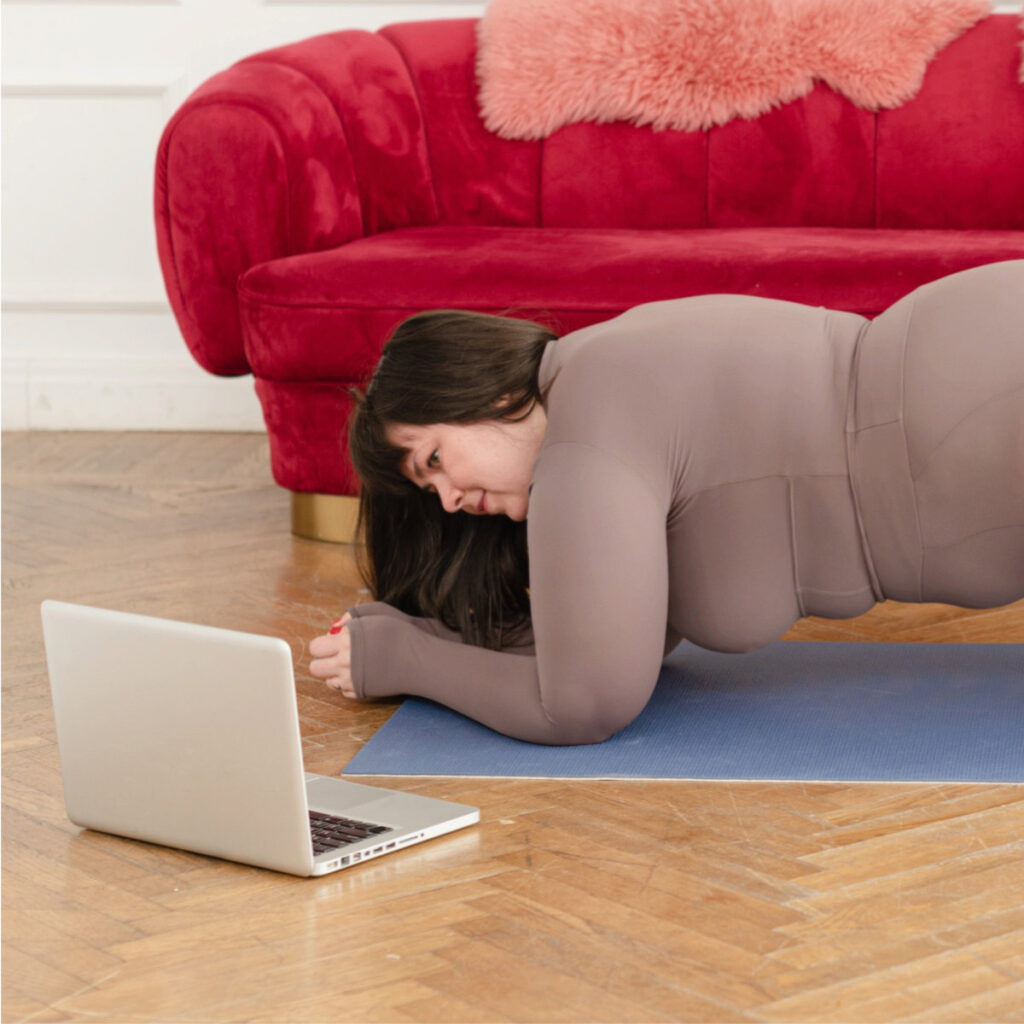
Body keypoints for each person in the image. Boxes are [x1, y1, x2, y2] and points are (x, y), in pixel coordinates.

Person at [309, 260, 1024, 745]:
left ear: (486, 395)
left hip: (965, 417)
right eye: (427, 491)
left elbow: (583, 702)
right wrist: (432, 634)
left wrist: (401, 659)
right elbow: (602, 638)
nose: (450, 498)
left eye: (434, 459)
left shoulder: (585, 438)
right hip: (969, 353)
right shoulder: (605, 365)